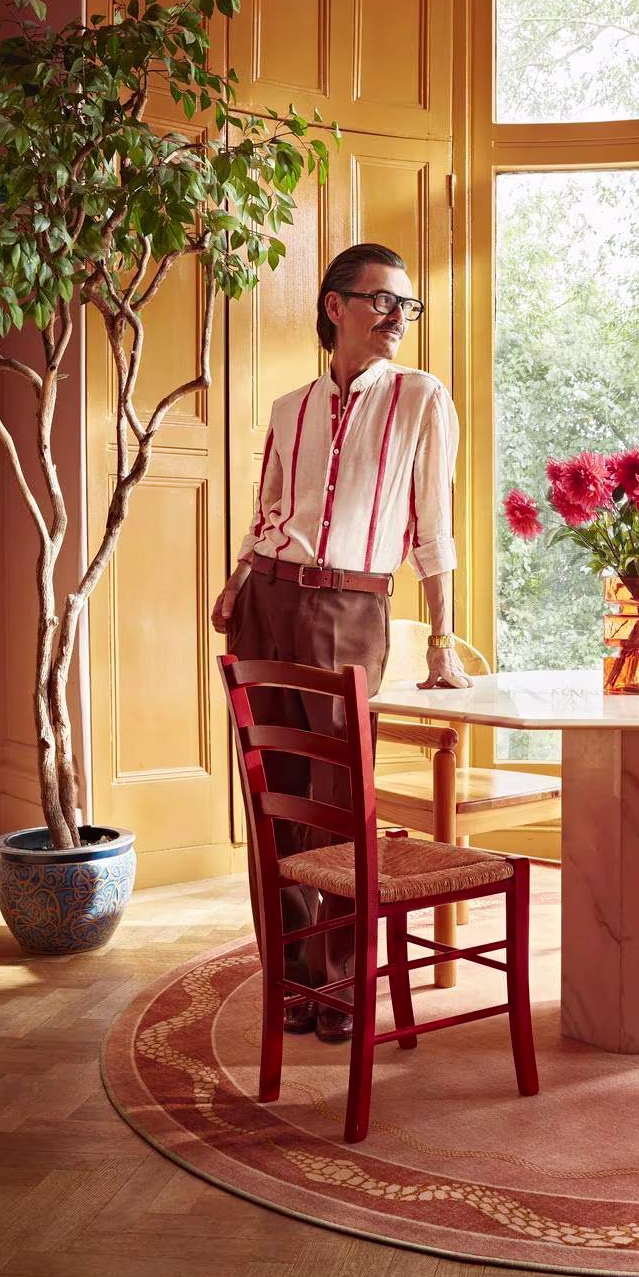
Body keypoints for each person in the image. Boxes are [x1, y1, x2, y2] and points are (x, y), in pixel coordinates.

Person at [212, 242, 472, 1042]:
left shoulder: (422, 397)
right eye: (383, 301)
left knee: (336, 802)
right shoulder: (289, 407)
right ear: (336, 306)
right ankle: (292, 980)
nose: (398, 318)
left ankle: (340, 984)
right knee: (275, 796)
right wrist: (237, 577)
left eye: (407, 305)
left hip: (350, 609)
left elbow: (434, 527)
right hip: (267, 600)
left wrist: (442, 638)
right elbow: (270, 507)